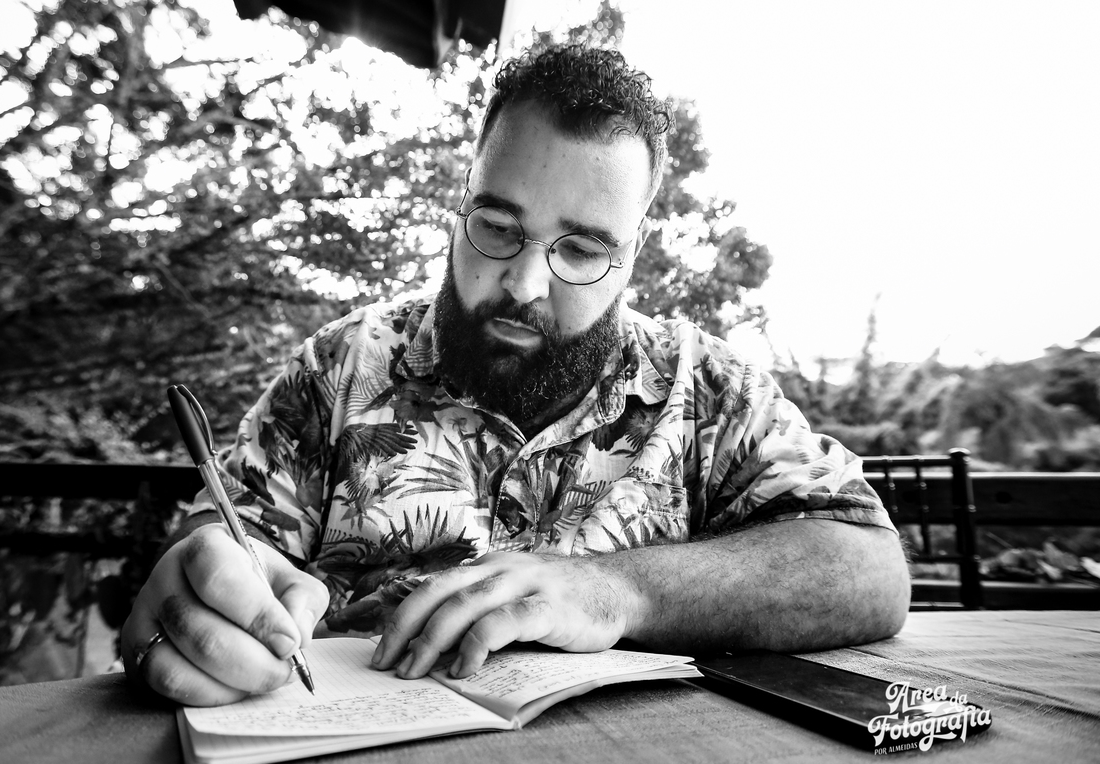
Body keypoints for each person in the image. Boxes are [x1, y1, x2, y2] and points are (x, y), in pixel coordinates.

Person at [121, 43, 910, 706]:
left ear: (632, 255)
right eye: (498, 228)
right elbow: (227, 544)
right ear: (460, 206)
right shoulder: (341, 365)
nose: (527, 286)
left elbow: (869, 571)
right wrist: (205, 586)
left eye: (580, 250)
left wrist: (616, 590)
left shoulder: (707, 388)